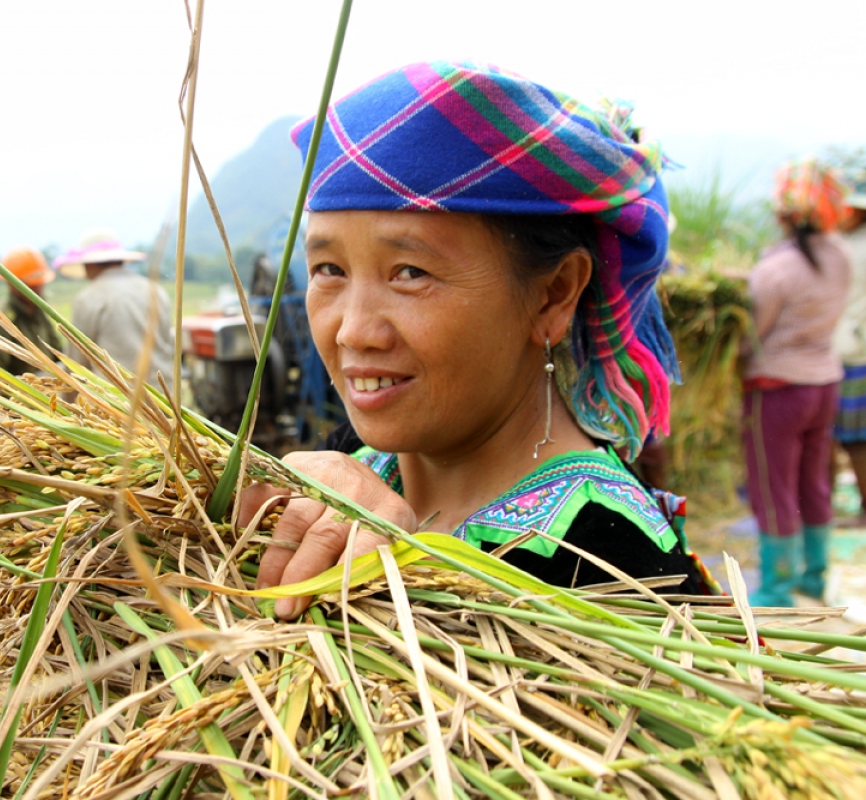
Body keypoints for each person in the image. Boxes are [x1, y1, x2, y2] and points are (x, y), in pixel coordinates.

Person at [238, 61, 718, 619]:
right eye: (328, 269)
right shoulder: (359, 461)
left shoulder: (613, 569)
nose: (352, 331)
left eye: (410, 272)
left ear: (553, 295)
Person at [741, 160, 851, 606]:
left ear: (784, 214)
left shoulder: (778, 267)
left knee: (773, 485)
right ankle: (814, 574)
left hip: (778, 388)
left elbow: (753, 333)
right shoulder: (838, 257)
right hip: (824, 384)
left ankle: (777, 587)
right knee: (813, 481)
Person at [55, 230, 175, 391]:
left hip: (118, 403)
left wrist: (67, 406)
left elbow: (76, 363)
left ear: (89, 264)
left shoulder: (89, 298)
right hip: (165, 398)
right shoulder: (156, 291)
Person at [831, 175, 866, 524]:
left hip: (852, 351)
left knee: (854, 440)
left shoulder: (850, 250)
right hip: (851, 348)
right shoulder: (846, 244)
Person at [0, 247, 63, 376]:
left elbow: (57, 353)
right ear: (12, 284)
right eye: (31, 285)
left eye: (39, 283)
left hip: (48, 390)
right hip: (20, 393)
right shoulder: (1, 321)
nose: (38, 288)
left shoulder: (38, 310)